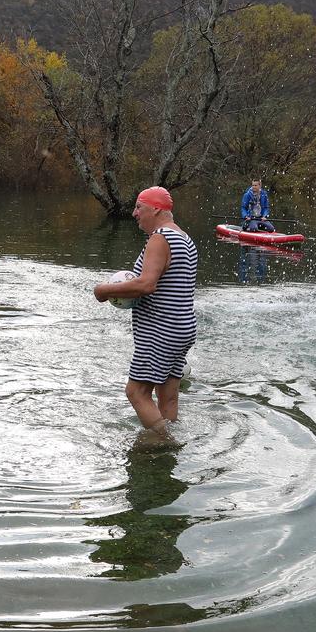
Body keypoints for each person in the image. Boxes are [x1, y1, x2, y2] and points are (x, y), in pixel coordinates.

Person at [94, 186, 198, 449]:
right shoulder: (185, 238)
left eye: (139, 207)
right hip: (183, 327)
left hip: (161, 329)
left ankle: (166, 444)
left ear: (157, 209)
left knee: (136, 392)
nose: (134, 213)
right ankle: (169, 441)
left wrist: (104, 290)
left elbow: (146, 284)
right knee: (168, 395)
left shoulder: (159, 238)